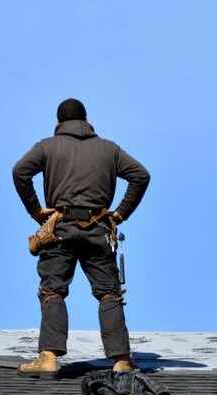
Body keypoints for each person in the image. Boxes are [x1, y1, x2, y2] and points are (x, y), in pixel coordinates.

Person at [12, 98, 150, 376]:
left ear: (58, 123)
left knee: (53, 289)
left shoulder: (47, 147)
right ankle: (122, 360)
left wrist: (36, 211)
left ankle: (49, 357)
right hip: (99, 227)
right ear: (86, 121)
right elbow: (141, 175)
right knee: (108, 292)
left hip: (60, 228)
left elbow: (20, 172)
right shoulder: (109, 149)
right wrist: (119, 215)